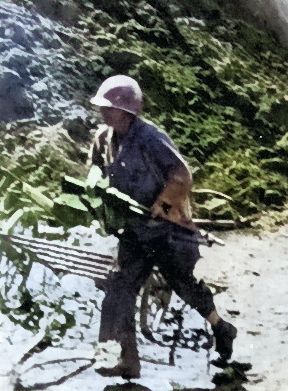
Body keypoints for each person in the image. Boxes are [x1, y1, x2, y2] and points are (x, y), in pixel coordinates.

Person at [87, 74, 237, 379]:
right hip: (133, 230)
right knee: (118, 288)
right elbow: (95, 171)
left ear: (128, 111)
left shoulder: (150, 139)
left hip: (167, 231)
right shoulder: (104, 139)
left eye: (111, 108)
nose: (104, 113)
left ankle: (221, 328)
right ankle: (122, 359)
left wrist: (162, 208)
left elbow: (181, 176)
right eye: (103, 108)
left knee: (183, 286)